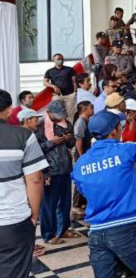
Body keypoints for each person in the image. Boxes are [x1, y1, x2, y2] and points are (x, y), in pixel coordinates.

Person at [72, 110, 136, 278]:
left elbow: (82, 190)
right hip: (124, 229)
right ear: (113, 131)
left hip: (96, 234)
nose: (122, 129)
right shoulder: (124, 150)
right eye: (120, 126)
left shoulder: (81, 163)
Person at [0, 90, 49, 277]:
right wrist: (34, 217)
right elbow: (35, 179)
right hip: (14, 221)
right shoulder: (23, 136)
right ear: (9, 110)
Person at [36, 100, 78, 245]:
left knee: (65, 202)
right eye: (57, 115)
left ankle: (63, 229)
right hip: (50, 170)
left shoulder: (65, 123)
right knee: (49, 204)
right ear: (49, 113)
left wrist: (68, 139)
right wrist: (51, 142)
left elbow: (72, 144)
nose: (61, 118)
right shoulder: (40, 126)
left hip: (65, 167)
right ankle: (48, 234)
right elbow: (35, 149)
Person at [72, 101, 94, 218]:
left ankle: (83, 202)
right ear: (85, 110)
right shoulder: (80, 123)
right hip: (82, 154)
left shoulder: (87, 121)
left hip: (86, 153)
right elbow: (78, 141)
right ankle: (75, 205)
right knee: (79, 179)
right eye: (91, 108)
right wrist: (82, 156)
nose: (93, 109)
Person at [44, 53, 77, 122]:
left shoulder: (69, 69)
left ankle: (69, 130)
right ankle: (58, 130)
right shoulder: (49, 71)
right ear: (54, 60)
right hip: (57, 96)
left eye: (62, 59)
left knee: (70, 115)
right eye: (58, 59)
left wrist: (75, 93)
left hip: (69, 95)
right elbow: (45, 82)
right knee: (55, 112)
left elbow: (74, 82)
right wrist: (54, 86)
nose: (60, 60)